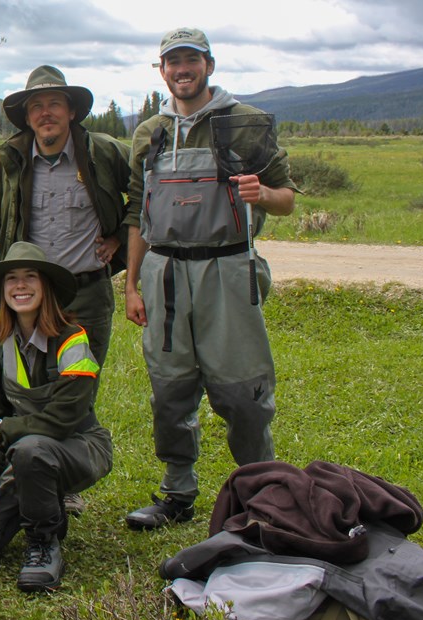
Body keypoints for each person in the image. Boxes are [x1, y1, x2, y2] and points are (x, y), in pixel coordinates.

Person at [122, 28, 297, 530]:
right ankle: (178, 494)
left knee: (243, 391)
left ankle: (262, 496)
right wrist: (132, 285)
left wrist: (260, 193)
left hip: (228, 271)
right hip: (165, 273)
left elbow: (286, 198)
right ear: (161, 71)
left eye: (191, 60)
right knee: (170, 387)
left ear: (209, 66)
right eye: (172, 61)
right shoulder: (148, 132)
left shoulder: (247, 124)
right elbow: (137, 213)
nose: (182, 69)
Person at [0, 242, 113, 593]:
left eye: (30, 278)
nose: (20, 286)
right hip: (25, 452)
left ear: (46, 288)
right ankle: (41, 501)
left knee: (31, 451)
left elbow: (63, 418)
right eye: (12, 278)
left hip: (79, 446)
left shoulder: (73, 339)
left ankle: (44, 542)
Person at [0, 64, 130, 390]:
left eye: (54, 103)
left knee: (79, 393)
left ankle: (80, 442)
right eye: (36, 106)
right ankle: (29, 442)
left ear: (71, 111)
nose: (45, 113)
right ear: (26, 117)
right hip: (30, 296)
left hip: (87, 297)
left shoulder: (102, 152)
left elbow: (149, 188)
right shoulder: (10, 162)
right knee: (28, 388)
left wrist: (120, 237)